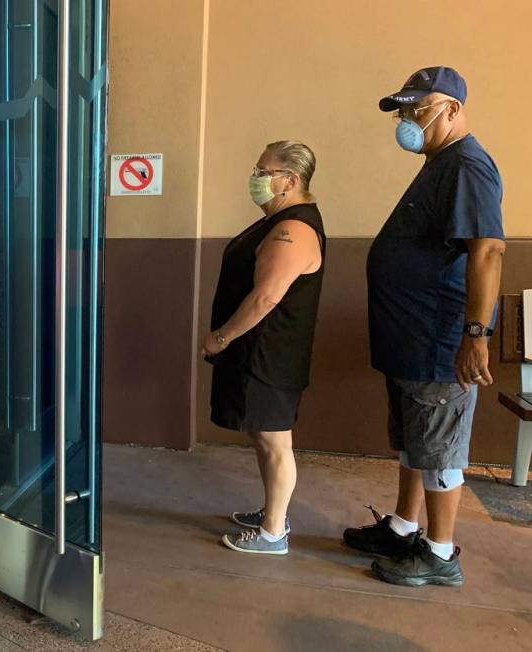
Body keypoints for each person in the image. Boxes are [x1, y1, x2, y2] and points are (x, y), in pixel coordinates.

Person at [344, 67, 505, 587]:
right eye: (405, 110)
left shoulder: (468, 166)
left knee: (438, 449)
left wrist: (475, 335)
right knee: (415, 442)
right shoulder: (441, 162)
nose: (409, 120)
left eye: (419, 108)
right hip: (410, 340)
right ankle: (403, 526)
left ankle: (438, 553)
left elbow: (488, 250)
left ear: (452, 109)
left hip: (439, 341)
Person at [203, 140, 326, 556]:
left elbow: (266, 298)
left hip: (270, 357)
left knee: (275, 444)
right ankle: (272, 510)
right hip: (257, 354)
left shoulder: (294, 229)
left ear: (289, 180)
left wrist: (221, 337)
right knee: (262, 437)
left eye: (263, 172)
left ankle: (273, 533)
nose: (255, 179)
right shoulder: (279, 223)